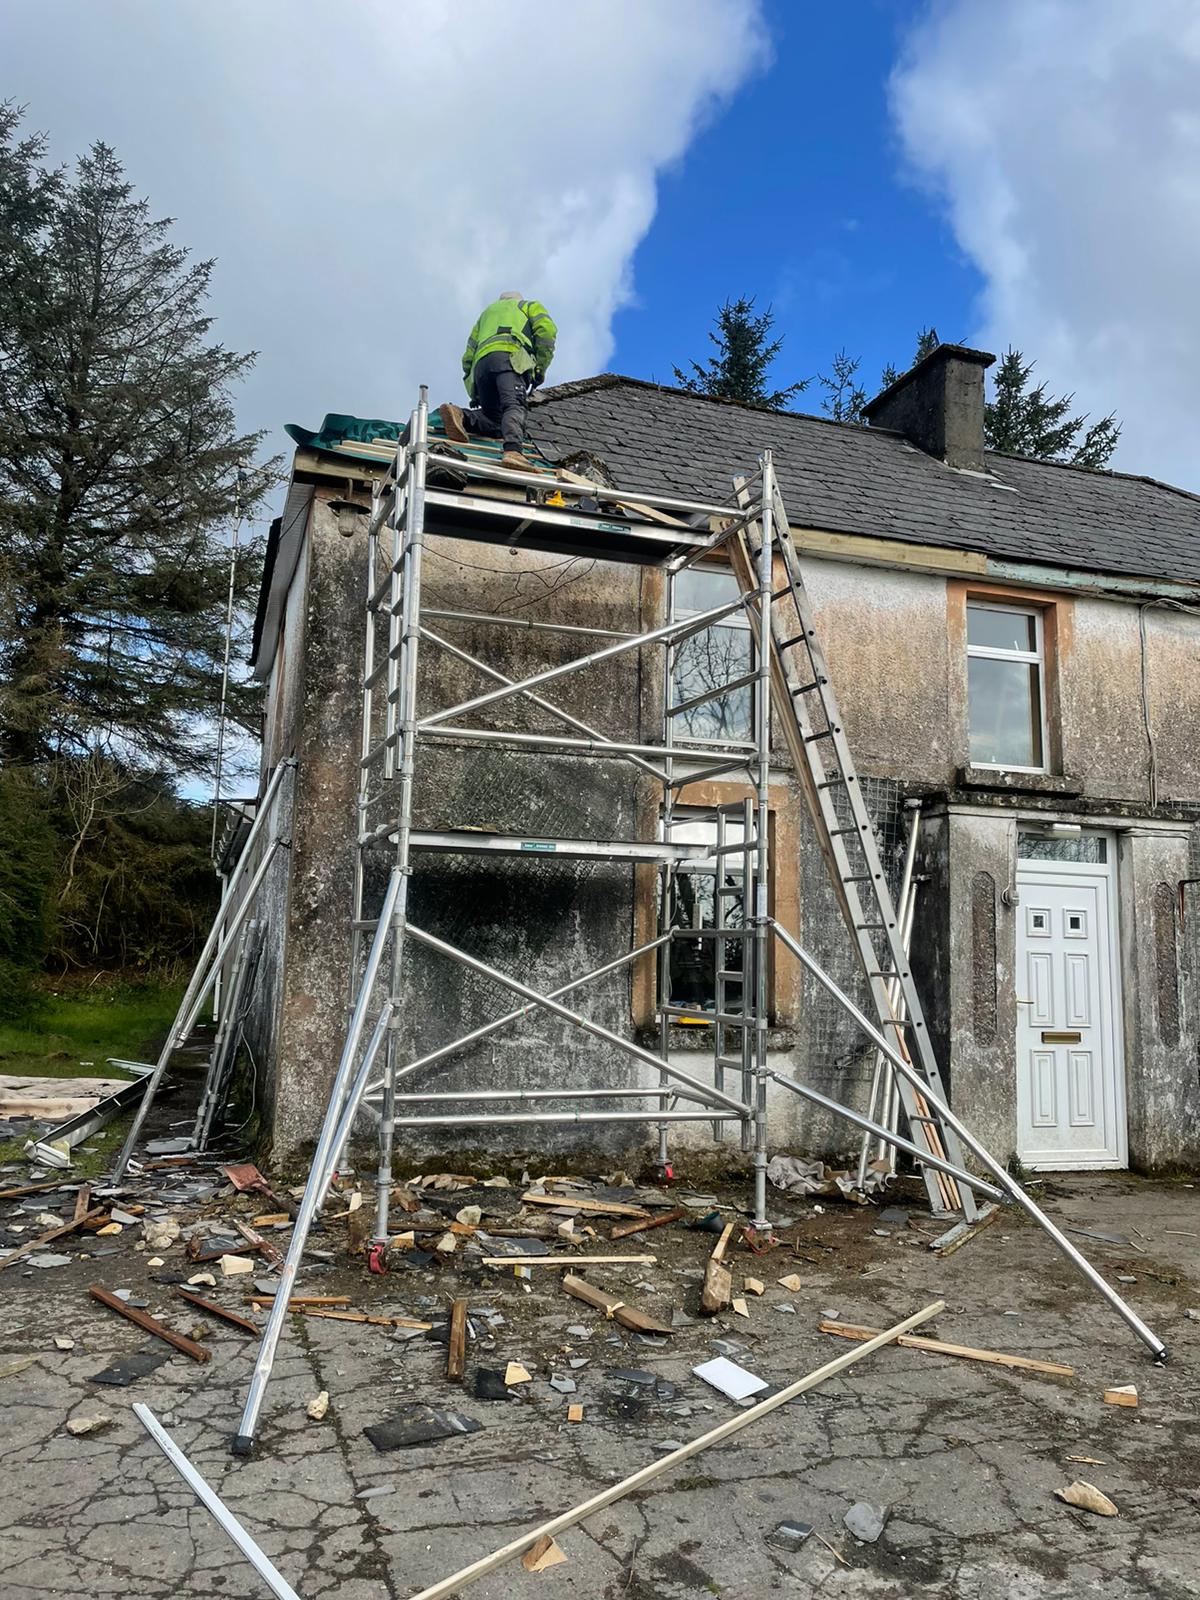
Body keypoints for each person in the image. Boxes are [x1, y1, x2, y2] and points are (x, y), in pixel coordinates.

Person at [438, 292, 557, 469]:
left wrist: (475, 391)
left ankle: (461, 416)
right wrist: (540, 368)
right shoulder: (528, 306)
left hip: (481, 367)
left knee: (494, 419)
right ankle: (513, 452)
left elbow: (468, 356)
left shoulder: (485, 315)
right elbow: (547, 332)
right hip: (510, 357)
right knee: (514, 405)